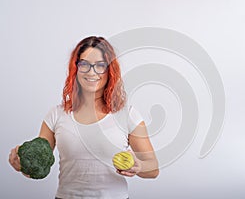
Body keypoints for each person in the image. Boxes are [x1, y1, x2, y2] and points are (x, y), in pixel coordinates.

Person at [8, 36, 159, 199]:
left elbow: (153, 168)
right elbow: (39, 162)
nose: (91, 71)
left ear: (110, 71)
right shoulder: (56, 114)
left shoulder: (127, 115)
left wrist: (139, 166)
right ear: (76, 68)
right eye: (84, 64)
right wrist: (21, 165)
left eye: (100, 65)